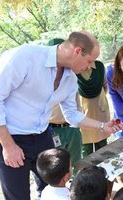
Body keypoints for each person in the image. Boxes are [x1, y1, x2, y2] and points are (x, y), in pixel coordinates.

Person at [0, 31, 123, 200]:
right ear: (77, 51)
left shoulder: (70, 78)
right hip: (11, 138)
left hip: (43, 136)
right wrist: (8, 145)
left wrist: (102, 125)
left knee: (53, 192)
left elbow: (71, 114)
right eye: (89, 61)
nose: (90, 66)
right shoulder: (26, 56)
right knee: (18, 196)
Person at [48, 38, 82, 174]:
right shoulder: (43, 77)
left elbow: (76, 101)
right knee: (58, 168)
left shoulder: (70, 76)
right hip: (53, 130)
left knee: (77, 164)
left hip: (72, 128)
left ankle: (76, 190)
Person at [77, 60, 111, 157]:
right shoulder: (73, 69)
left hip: (100, 111)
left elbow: (105, 86)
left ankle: (103, 169)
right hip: (83, 114)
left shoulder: (99, 66)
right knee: (86, 149)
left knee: (102, 147)